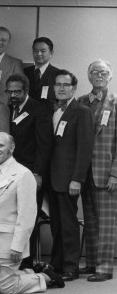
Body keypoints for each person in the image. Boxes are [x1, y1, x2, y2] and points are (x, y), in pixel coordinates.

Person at [0, 132, 64, 294]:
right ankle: (27, 273)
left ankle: (46, 277)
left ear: (12, 148)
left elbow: (27, 215)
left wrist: (18, 246)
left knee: (7, 288)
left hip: (9, 241)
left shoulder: (24, 174)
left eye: (0, 145)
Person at [48, 69, 94, 281]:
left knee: (68, 224)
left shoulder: (82, 111)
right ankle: (56, 263)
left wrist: (77, 179)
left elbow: (85, 148)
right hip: (52, 178)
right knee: (56, 224)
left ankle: (70, 267)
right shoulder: (52, 109)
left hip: (69, 180)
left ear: (74, 88)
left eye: (66, 85)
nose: (61, 88)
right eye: (58, 84)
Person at [6, 73, 53, 269]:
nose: (13, 95)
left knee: (28, 216)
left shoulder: (39, 109)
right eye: (10, 91)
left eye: (17, 91)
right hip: (10, 171)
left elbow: (45, 145)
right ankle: (10, 257)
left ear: (26, 90)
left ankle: (26, 260)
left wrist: (38, 173)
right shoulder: (9, 109)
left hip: (31, 172)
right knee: (12, 215)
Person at [79, 60, 116, 282]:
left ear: (110, 77)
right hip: (85, 171)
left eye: (103, 72)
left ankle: (104, 267)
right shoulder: (82, 101)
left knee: (106, 221)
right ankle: (91, 262)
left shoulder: (115, 103)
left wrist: (115, 173)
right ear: (89, 76)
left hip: (106, 170)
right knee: (90, 219)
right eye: (94, 72)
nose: (99, 75)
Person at [24, 37, 60, 111]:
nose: (39, 54)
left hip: (48, 119)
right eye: (35, 51)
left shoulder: (58, 74)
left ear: (51, 53)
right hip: (26, 117)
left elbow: (61, 101)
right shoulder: (24, 72)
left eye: (43, 51)